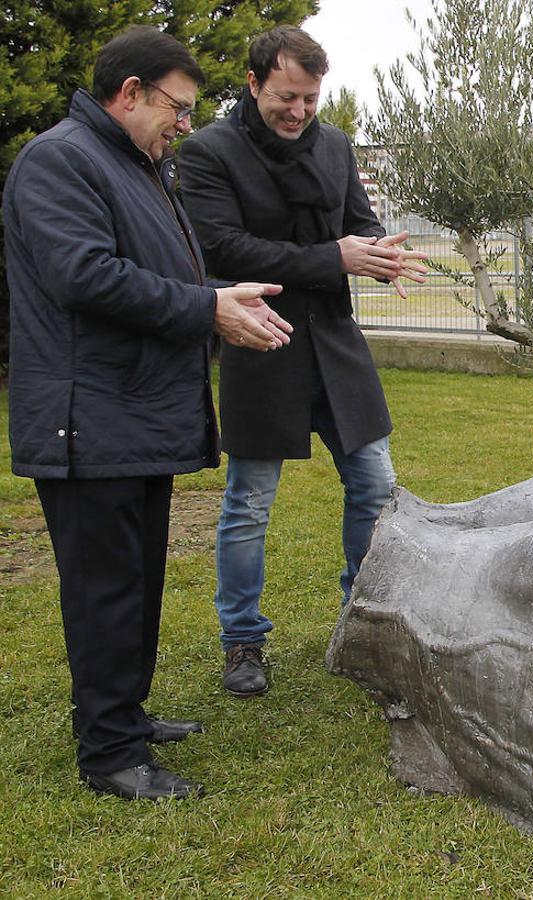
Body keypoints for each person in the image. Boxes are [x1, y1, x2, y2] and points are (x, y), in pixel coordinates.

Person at [4, 26, 293, 800]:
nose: (185, 124)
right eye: (177, 107)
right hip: (88, 418)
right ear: (128, 93)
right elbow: (86, 276)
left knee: (134, 581)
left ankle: (123, 716)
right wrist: (208, 310)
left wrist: (218, 299)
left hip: (132, 415)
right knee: (105, 591)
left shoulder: (135, 164)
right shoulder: (61, 160)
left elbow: (158, 269)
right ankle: (109, 756)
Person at [177, 26, 426, 699]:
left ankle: (362, 616)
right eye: (287, 97)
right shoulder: (208, 154)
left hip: (336, 347)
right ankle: (242, 640)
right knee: (250, 503)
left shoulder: (336, 144)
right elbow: (223, 250)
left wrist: (381, 254)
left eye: (310, 100)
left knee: (375, 487)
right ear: (254, 83)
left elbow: (359, 222)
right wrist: (335, 257)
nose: (299, 112)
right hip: (262, 341)